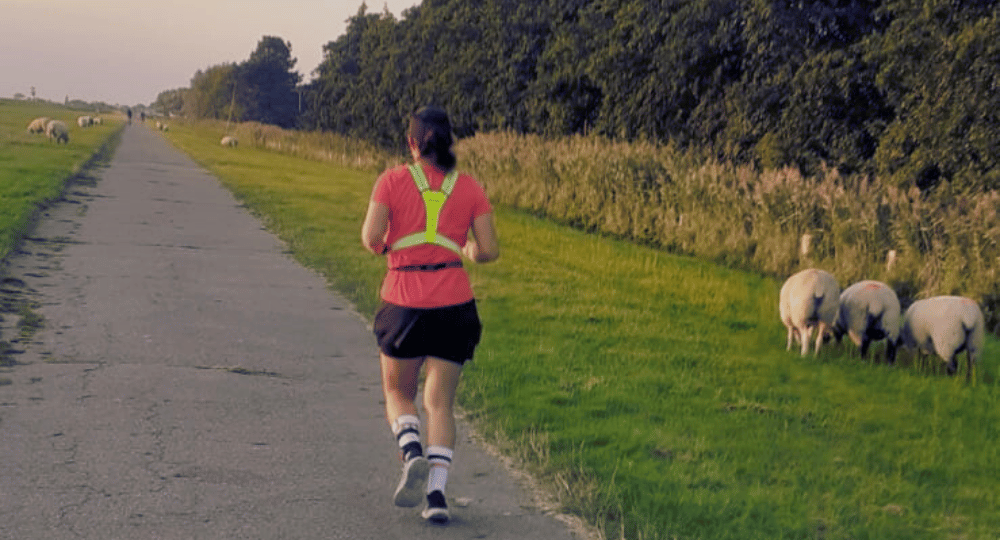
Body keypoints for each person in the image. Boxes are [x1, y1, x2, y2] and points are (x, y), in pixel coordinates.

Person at [361, 106, 500, 524]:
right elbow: (488, 249)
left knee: (397, 392)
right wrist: (469, 250)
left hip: (403, 301)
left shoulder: (391, 180)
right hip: (454, 305)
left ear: (412, 143)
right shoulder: (470, 187)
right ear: (448, 141)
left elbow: (371, 237)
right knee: (440, 403)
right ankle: (437, 495)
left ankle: (411, 450)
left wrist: (388, 248)